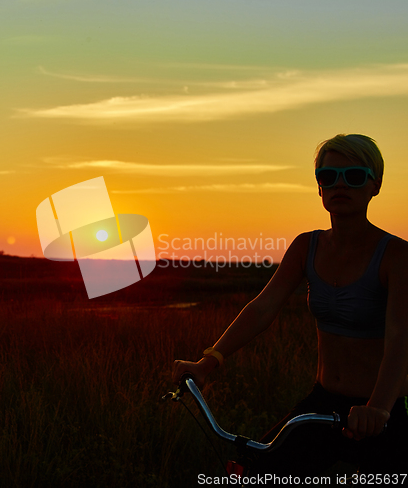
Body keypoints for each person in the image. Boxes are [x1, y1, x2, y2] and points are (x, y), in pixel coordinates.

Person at [172, 134, 408, 476]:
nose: (340, 185)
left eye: (354, 176)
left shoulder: (396, 256)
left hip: (382, 409)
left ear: (375, 184)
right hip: (323, 402)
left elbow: (401, 336)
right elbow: (262, 308)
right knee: (253, 474)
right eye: (328, 177)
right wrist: (208, 362)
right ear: (319, 188)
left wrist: (379, 408)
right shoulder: (306, 247)